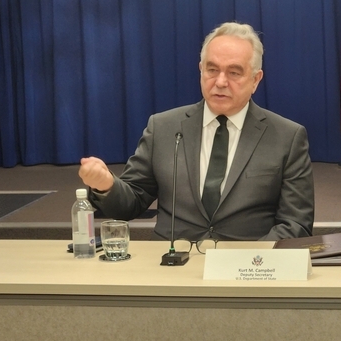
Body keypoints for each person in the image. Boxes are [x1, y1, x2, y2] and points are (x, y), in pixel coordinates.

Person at [79, 22, 314, 241]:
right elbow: (131, 203)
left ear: (255, 79)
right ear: (201, 70)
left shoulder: (287, 137)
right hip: (172, 269)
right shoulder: (163, 127)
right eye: (212, 69)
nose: (220, 81)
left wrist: (246, 262)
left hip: (248, 272)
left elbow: (296, 224)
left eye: (234, 72)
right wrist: (106, 185)